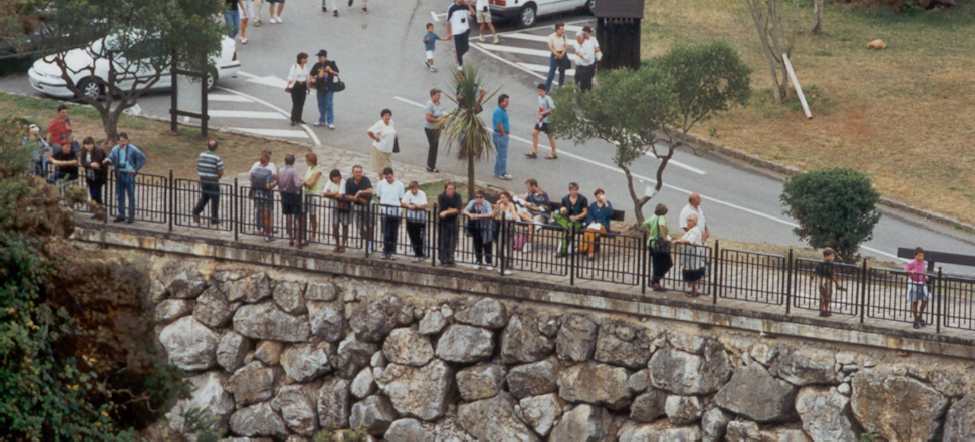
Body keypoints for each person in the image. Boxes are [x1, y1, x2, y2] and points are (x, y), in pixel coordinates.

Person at [103, 133, 146, 224]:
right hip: (119, 174)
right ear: (118, 141)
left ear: (127, 140)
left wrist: (135, 169)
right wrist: (108, 160)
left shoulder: (133, 149)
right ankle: (121, 215)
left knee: (131, 196)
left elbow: (142, 158)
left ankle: (131, 216)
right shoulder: (115, 149)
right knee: (120, 196)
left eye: (123, 140)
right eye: (120, 140)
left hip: (129, 174)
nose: (121, 142)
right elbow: (111, 157)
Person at [192, 139, 225, 226]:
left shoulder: (201, 155)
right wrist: (217, 177)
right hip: (213, 180)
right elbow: (220, 171)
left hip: (203, 179)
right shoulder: (217, 157)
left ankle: (196, 211)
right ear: (216, 147)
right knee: (215, 199)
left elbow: (198, 165)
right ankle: (214, 219)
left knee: (205, 197)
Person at [674, 212, 707, 296]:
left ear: (695, 222)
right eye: (687, 220)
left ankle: (694, 291)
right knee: (690, 272)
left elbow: (689, 241)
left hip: (693, 256)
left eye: (690, 221)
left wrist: (678, 241)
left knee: (693, 273)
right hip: (689, 257)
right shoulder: (691, 230)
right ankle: (693, 290)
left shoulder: (695, 231)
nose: (688, 222)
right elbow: (684, 238)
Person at [376, 167, 405, 259]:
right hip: (385, 211)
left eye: (389, 176)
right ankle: (385, 251)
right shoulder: (380, 184)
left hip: (396, 211)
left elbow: (401, 198)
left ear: (392, 175)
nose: (388, 178)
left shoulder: (400, 184)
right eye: (386, 177)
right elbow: (379, 196)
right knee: (386, 232)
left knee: (394, 232)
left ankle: (392, 251)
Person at [552, 182, 588, 257]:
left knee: (568, 230)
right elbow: (561, 210)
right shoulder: (565, 199)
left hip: (578, 221)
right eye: (572, 190)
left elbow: (585, 212)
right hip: (567, 220)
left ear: (577, 190)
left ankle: (562, 252)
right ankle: (563, 251)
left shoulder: (583, 199)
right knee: (557, 217)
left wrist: (576, 217)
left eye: (575, 190)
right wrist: (563, 210)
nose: (573, 191)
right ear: (569, 190)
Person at [344, 164, 374, 252]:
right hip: (357, 206)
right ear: (352, 173)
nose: (358, 174)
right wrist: (357, 198)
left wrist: (361, 192)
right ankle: (368, 239)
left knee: (369, 226)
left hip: (366, 206)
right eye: (356, 172)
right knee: (359, 227)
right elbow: (347, 195)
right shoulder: (349, 181)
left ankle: (370, 244)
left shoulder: (365, 179)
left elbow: (371, 190)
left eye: (360, 172)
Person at [249, 150, 277, 241]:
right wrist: (276, 183)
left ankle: (262, 229)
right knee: (267, 213)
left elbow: (251, 178)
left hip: (257, 193)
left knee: (260, 212)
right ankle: (268, 233)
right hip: (266, 194)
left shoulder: (255, 168)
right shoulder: (269, 170)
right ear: (267, 160)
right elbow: (268, 185)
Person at [644, 204, 673, 292]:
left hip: (651, 243)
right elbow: (661, 226)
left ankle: (654, 281)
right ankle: (655, 282)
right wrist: (665, 238)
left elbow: (645, 224)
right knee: (667, 263)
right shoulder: (661, 218)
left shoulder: (653, 216)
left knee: (656, 263)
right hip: (659, 244)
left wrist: (652, 232)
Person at [464, 189, 494, 269]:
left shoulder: (487, 203)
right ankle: (478, 260)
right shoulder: (472, 202)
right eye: (477, 197)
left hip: (486, 227)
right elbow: (465, 210)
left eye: (480, 197)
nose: (478, 199)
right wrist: (470, 214)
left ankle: (489, 262)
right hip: (476, 227)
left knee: (487, 244)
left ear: (483, 198)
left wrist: (478, 216)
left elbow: (490, 213)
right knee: (477, 244)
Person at [278, 154, 304, 247]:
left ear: (285, 161)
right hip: (293, 195)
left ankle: (290, 238)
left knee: (288, 217)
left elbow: (279, 183)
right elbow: (297, 184)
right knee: (297, 217)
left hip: (284, 195)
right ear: (293, 162)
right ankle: (297, 240)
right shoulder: (293, 171)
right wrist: (302, 182)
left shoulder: (280, 170)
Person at [310, 50, 340, 129]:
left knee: (329, 104)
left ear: (325, 57)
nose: (319, 58)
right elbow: (311, 74)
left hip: (329, 88)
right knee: (321, 104)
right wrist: (315, 77)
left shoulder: (331, 63)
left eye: (320, 57)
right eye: (318, 57)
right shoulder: (316, 65)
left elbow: (337, 73)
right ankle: (322, 121)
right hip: (319, 87)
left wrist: (330, 70)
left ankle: (330, 122)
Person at [321, 168, 349, 252]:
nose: (335, 179)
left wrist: (329, 194)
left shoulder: (343, 182)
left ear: (339, 176)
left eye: (336, 177)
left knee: (345, 225)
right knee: (335, 226)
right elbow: (323, 193)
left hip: (344, 207)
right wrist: (334, 194)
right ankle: (337, 244)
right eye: (333, 178)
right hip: (334, 207)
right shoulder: (330, 181)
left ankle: (343, 245)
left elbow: (340, 195)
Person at [79, 137, 107, 217]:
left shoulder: (98, 150)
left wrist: (91, 164)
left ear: (93, 144)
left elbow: (98, 162)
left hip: (98, 176)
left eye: (89, 144)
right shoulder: (84, 151)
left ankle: (100, 211)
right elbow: (83, 162)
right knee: (92, 194)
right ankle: (96, 212)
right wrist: (90, 164)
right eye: (86, 145)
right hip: (89, 176)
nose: (88, 146)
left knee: (97, 194)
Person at [582, 188, 613, 260]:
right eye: (599, 194)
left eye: (602, 194)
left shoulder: (607, 204)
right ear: (596, 196)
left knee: (589, 230)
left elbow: (610, 213)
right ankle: (590, 254)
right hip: (593, 227)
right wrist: (591, 221)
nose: (600, 196)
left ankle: (583, 248)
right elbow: (589, 216)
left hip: (603, 227)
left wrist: (605, 203)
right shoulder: (593, 205)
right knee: (591, 232)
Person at [402, 180, 429, 262]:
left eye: (415, 188)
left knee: (420, 237)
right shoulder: (408, 193)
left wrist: (417, 206)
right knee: (412, 237)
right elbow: (403, 203)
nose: (414, 190)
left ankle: (421, 254)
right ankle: (417, 253)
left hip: (420, 219)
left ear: (417, 187)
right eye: (412, 188)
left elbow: (425, 204)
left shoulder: (422, 193)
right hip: (411, 219)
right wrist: (409, 206)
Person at [528, 83, 557, 159]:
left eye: (541, 91)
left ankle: (553, 153)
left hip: (548, 121)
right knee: (534, 133)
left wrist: (543, 113)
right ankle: (534, 151)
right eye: (538, 91)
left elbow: (552, 109)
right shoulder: (539, 97)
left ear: (545, 91)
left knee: (550, 136)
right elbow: (540, 107)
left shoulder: (548, 98)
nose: (539, 92)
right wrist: (538, 114)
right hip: (541, 120)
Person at [522, 178, 551, 253]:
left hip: (541, 215)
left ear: (533, 186)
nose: (527, 188)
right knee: (529, 220)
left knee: (532, 222)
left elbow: (545, 208)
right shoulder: (530, 194)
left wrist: (532, 207)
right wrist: (524, 200)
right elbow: (523, 203)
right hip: (531, 215)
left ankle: (528, 244)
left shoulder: (543, 194)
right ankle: (536, 224)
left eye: (528, 187)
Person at [815, 248, 846, 318]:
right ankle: (824, 311)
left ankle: (823, 310)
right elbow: (832, 275)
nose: (833, 257)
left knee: (824, 297)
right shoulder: (830, 265)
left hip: (821, 283)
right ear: (827, 256)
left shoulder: (820, 263)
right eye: (832, 256)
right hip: (826, 283)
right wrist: (837, 283)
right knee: (827, 297)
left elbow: (816, 272)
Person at [437, 181, 463, 266]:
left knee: (453, 240)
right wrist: (451, 210)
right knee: (444, 240)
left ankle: (450, 258)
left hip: (454, 220)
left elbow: (458, 209)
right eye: (449, 189)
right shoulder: (441, 196)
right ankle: (443, 258)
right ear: (445, 189)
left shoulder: (458, 196)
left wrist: (448, 211)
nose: (451, 190)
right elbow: (442, 209)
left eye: (452, 189)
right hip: (444, 221)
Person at [905, 247, 931, 329]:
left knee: (925, 300)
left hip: (922, 283)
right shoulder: (912, 263)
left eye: (922, 256)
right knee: (915, 302)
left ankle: (919, 317)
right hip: (914, 284)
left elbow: (924, 271)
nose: (921, 258)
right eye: (919, 256)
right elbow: (906, 269)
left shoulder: (923, 263)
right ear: (915, 256)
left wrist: (926, 276)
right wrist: (910, 272)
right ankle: (916, 320)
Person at [494, 191, 519, 275]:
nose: (502, 199)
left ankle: (509, 266)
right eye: (501, 197)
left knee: (509, 248)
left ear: (507, 198)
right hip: (502, 227)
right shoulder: (500, 205)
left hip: (509, 227)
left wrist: (505, 217)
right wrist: (497, 205)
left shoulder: (511, 205)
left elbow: (514, 216)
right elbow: (495, 216)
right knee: (499, 248)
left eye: (503, 197)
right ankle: (503, 263)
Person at [302, 152, 325, 243]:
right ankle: (304, 233)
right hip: (306, 194)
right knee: (304, 214)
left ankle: (313, 234)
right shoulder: (309, 168)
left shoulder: (317, 170)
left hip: (314, 195)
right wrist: (305, 182)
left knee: (312, 215)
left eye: (306, 160)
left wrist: (303, 182)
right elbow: (307, 181)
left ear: (310, 161)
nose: (305, 162)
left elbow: (311, 184)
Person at [367, 109, 396, 178]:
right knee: (381, 168)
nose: (387, 117)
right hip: (379, 149)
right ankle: (382, 180)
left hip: (388, 150)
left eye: (389, 115)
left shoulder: (391, 122)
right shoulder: (379, 124)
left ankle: (386, 180)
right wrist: (375, 138)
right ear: (382, 116)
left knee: (388, 167)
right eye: (385, 115)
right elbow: (369, 131)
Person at [424, 88, 447, 172]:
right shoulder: (430, 104)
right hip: (430, 129)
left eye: (439, 95)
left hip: (437, 128)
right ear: (433, 95)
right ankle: (430, 166)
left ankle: (432, 165)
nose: (439, 97)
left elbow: (442, 112)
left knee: (435, 147)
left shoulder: (438, 103)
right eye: (438, 95)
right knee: (433, 146)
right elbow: (428, 118)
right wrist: (438, 120)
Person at [446, 0, 472, 71]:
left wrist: (469, 5)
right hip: (456, 32)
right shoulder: (451, 8)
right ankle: (460, 65)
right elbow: (448, 22)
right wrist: (449, 34)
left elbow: (472, 13)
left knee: (466, 48)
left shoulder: (465, 6)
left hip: (466, 31)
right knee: (458, 50)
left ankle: (457, 54)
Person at [286, 52, 310, 126]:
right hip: (296, 86)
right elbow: (290, 76)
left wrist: (308, 87)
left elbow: (307, 77)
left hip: (303, 87)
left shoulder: (305, 67)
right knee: (296, 103)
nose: (306, 60)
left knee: (301, 103)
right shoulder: (295, 66)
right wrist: (289, 84)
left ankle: (299, 118)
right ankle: (293, 119)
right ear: (301, 59)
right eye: (305, 58)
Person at [544, 23, 569, 92]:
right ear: (556, 30)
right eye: (561, 29)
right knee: (551, 73)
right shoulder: (551, 36)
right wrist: (557, 55)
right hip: (555, 54)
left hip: (563, 54)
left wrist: (562, 54)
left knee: (562, 72)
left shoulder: (564, 36)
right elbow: (550, 47)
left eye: (563, 29)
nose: (563, 31)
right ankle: (546, 89)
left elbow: (566, 46)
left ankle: (560, 87)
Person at [492, 94, 512, 180]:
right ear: (500, 102)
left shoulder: (502, 110)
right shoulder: (498, 111)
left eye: (508, 101)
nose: (507, 103)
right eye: (505, 101)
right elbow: (499, 123)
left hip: (501, 134)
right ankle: (501, 173)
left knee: (500, 155)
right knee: (502, 155)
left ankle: (498, 172)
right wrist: (503, 133)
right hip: (500, 135)